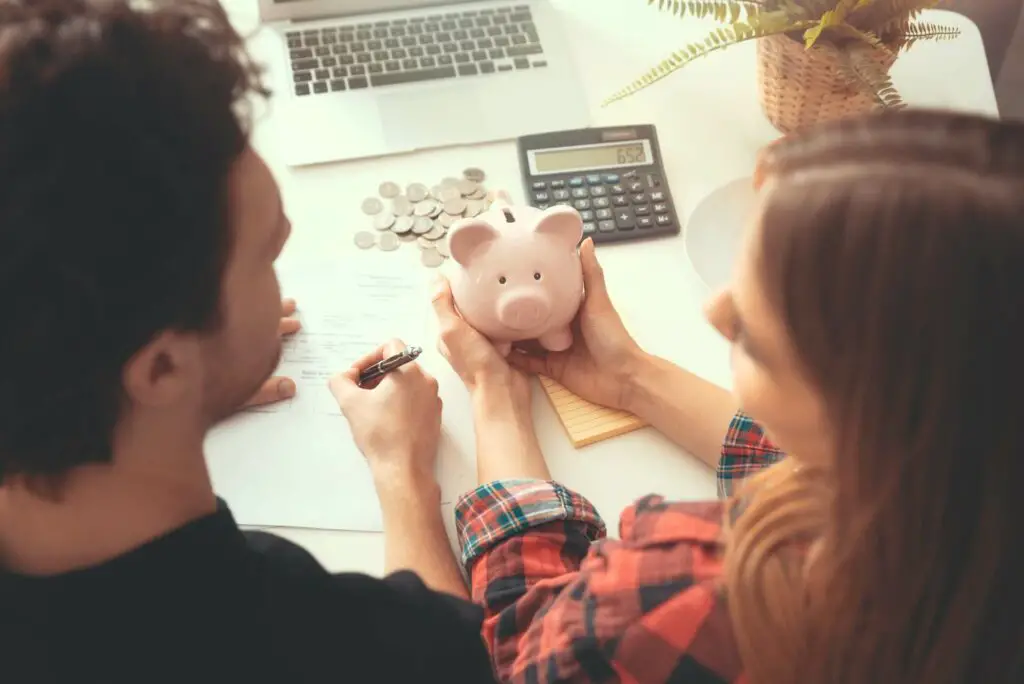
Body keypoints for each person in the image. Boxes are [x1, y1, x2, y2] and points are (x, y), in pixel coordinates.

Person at [433, 109, 1023, 683]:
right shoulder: (971, 491)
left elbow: (524, 648)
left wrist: (468, 419)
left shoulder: (686, 599)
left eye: (755, 338)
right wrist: (633, 378)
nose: (715, 310)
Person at [0, 2, 493, 682]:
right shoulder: (317, 639)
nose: (281, 270)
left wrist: (151, 415)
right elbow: (447, 655)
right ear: (163, 364)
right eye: (267, 255)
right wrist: (402, 473)